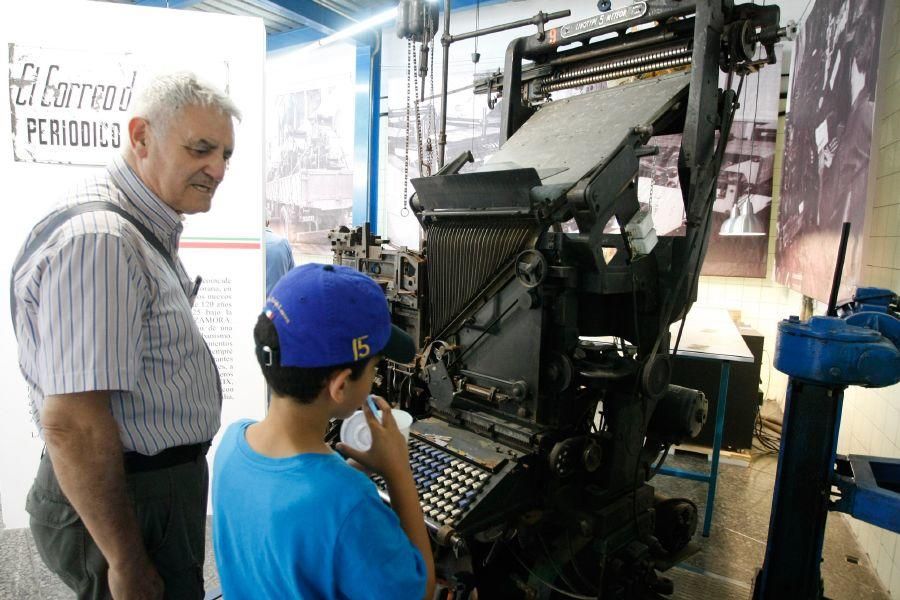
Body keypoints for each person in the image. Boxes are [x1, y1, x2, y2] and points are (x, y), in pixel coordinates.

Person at [10, 72, 240, 599]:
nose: (218, 169)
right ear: (141, 137)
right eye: (202, 149)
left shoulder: (132, 225)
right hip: (129, 499)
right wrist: (126, 562)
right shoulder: (103, 241)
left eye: (226, 154)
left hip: (143, 490)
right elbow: (73, 423)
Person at [212, 263, 436, 599]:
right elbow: (420, 593)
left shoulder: (232, 443)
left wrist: (338, 472)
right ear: (342, 385)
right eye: (374, 367)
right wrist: (398, 472)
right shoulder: (350, 503)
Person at [264, 220, 295, 296]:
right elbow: (293, 277)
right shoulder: (282, 243)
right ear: (268, 221)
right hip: (277, 304)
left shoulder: (241, 245)